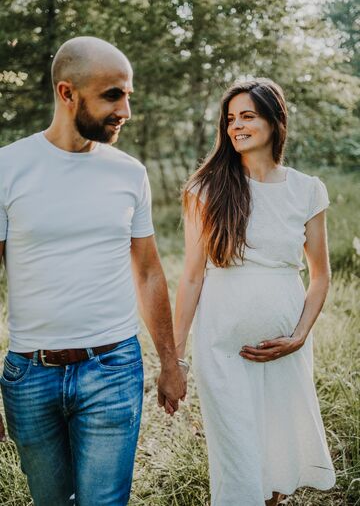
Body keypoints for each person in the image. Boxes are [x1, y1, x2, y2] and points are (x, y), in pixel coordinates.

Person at [0, 36, 186, 506]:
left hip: (113, 368)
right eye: (112, 95)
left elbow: (147, 272)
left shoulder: (129, 173)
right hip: (30, 374)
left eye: (128, 95)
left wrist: (169, 362)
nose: (125, 110)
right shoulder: (8, 168)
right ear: (67, 93)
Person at [174, 78, 336, 506]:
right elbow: (191, 277)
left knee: (278, 458)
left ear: (275, 120)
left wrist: (299, 335)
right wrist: (175, 358)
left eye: (248, 116)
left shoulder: (307, 189)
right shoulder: (205, 189)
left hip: (286, 348)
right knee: (240, 460)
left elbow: (320, 276)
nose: (236, 126)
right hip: (223, 349)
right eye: (230, 119)